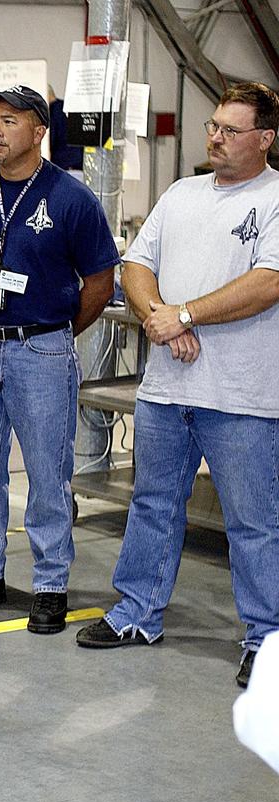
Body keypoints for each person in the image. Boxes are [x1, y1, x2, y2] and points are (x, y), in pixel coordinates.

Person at [76, 82, 279, 688]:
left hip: (242, 395)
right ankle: (137, 612)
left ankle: (266, 641)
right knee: (154, 505)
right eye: (213, 125)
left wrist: (185, 314)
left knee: (254, 522)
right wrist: (159, 317)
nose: (214, 137)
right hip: (168, 390)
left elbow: (269, 281)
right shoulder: (182, 193)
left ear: (265, 139)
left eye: (229, 130)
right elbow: (137, 265)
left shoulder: (274, 199)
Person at [0, 85, 120, 634]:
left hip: (40, 350)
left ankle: (49, 584)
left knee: (46, 470)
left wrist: (53, 332)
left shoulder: (70, 198)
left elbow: (100, 281)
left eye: (9, 121)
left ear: (39, 132)